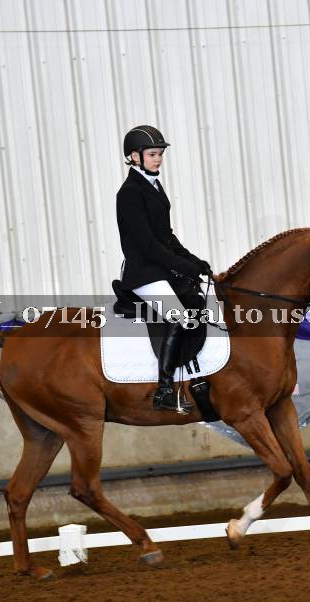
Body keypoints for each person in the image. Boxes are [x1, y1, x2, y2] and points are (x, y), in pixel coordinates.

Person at [116, 125, 212, 413]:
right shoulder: (130, 193)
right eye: (152, 154)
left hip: (160, 269)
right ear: (135, 156)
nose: (158, 159)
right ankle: (165, 390)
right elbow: (148, 245)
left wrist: (194, 261)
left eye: (160, 154)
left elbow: (166, 236)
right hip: (144, 273)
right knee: (179, 317)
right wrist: (183, 266)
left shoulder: (154, 186)